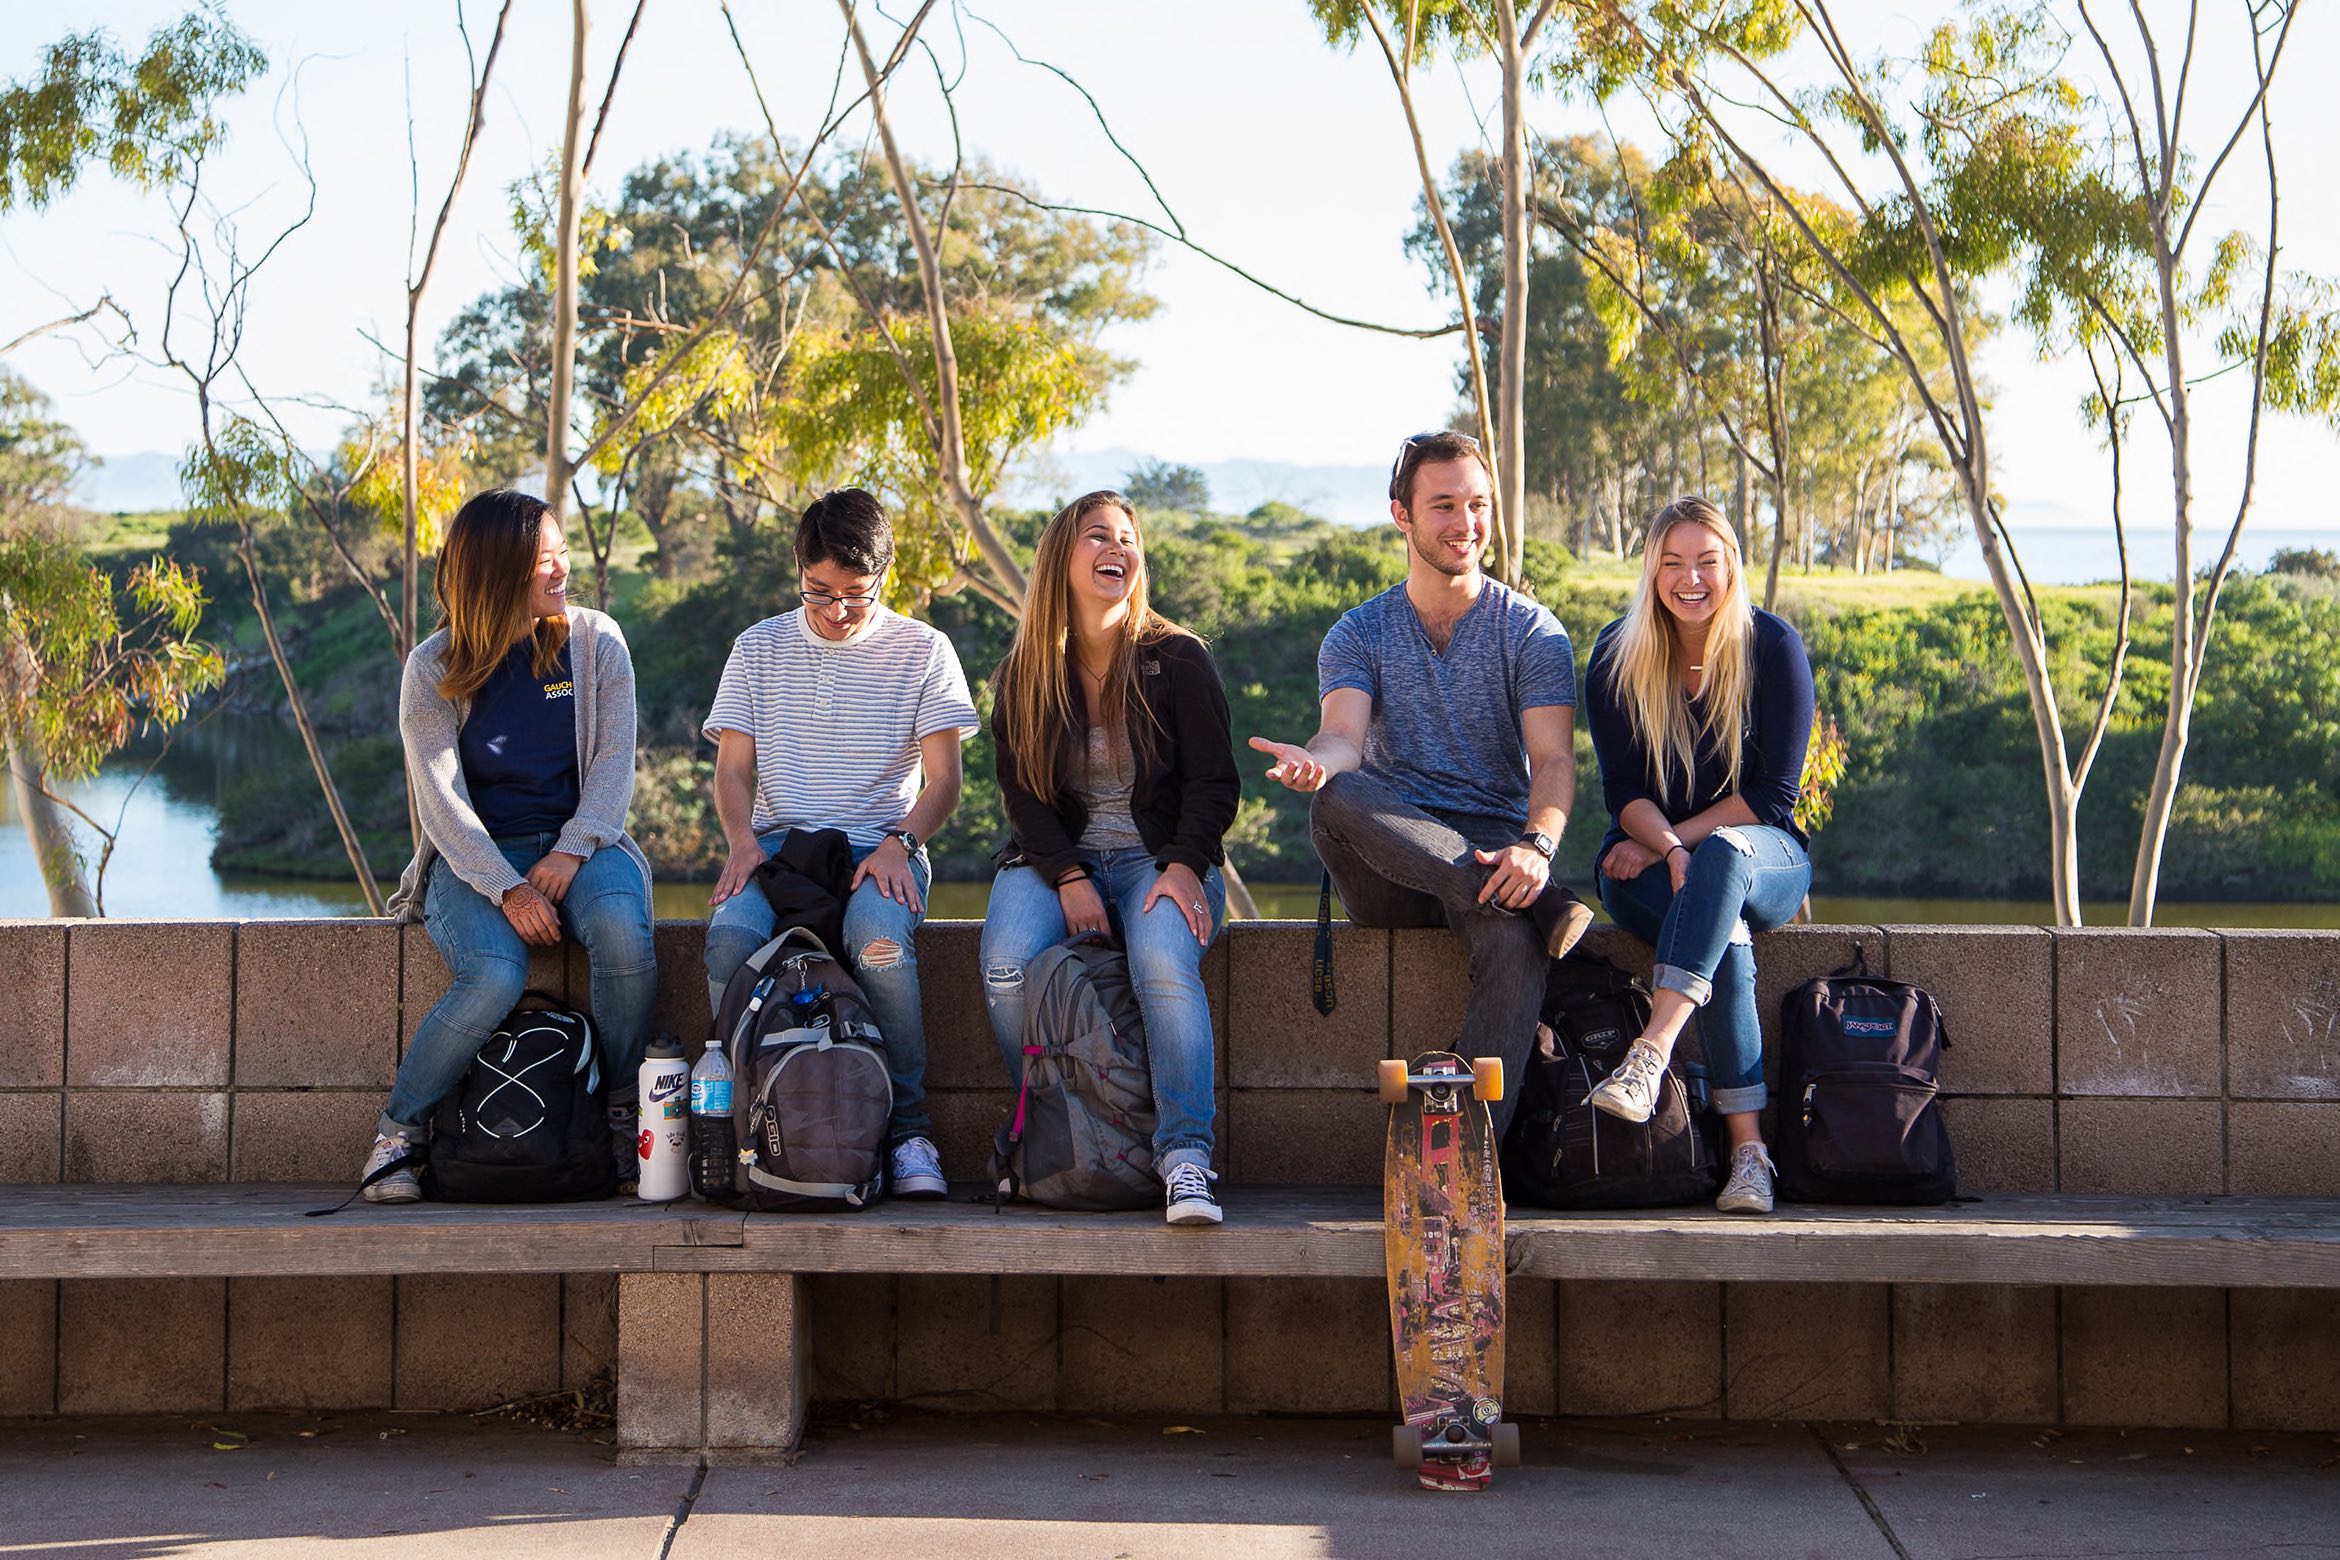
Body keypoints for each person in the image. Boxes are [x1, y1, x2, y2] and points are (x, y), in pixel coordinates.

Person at [1250, 430, 1593, 1137]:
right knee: (1339, 795)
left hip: (1498, 859)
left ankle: (1462, 1151)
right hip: (1387, 865)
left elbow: (1554, 760)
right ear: (1401, 515)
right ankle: (1531, 903)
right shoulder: (1359, 632)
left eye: (1478, 505)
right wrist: (1316, 763)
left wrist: (1536, 847)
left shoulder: (1533, 632)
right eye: (1443, 506)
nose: (1465, 525)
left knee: (1512, 942)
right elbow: (1342, 739)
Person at [365, 490, 657, 1202]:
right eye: (542, 564)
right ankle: (398, 1134)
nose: (562, 573)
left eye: (562, 556)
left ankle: (619, 1114)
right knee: (493, 975)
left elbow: (616, 765)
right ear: (496, 577)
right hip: (473, 863)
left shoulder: (596, 642)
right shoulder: (433, 669)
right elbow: (443, 803)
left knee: (622, 932)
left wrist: (571, 850)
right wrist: (508, 885)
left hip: (584, 846)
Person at [699, 488, 979, 1199]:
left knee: (879, 941)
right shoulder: (757, 647)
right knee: (730, 937)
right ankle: (751, 1126)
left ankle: (910, 1133)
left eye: (855, 594)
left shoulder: (925, 650)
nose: (835, 611)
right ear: (798, 569)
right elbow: (733, 771)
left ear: (884, 575)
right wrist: (740, 843)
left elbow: (944, 783)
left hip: (881, 843)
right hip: (779, 847)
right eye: (817, 592)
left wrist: (899, 841)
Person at [979, 490, 1240, 1226]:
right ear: (1063, 557)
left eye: (1127, 537)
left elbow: (1216, 784)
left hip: (1164, 860)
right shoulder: (1026, 671)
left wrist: (1185, 865)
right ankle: (1055, 1126)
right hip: (1057, 856)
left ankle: (1184, 1158)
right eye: (1098, 536)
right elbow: (1022, 794)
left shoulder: (1179, 660)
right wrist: (1065, 875)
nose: (1116, 548)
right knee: (1005, 962)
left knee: (1160, 955)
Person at [1580, 495, 1815, 1215]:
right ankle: (1750, 1155)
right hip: (1650, 858)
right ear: (1651, 571)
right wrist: (1669, 846)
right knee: (1726, 936)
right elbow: (1620, 791)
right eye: (1673, 563)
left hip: (1764, 854)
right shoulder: (1616, 657)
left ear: (1730, 568)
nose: (1691, 579)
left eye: (1706, 563)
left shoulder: (1771, 647)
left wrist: (1696, 849)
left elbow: (1773, 797)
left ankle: (1650, 1054)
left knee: (1727, 860)